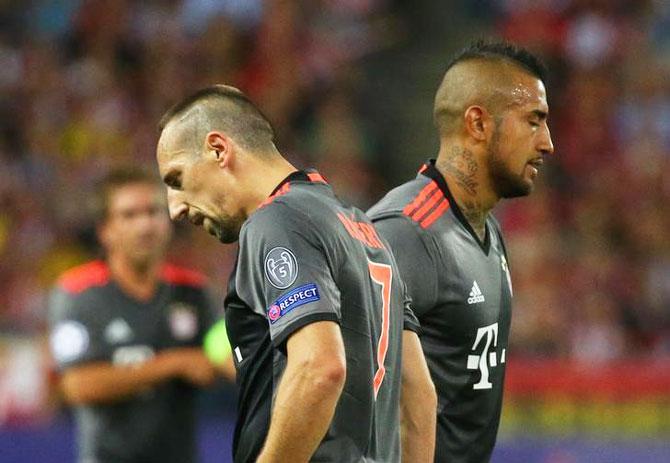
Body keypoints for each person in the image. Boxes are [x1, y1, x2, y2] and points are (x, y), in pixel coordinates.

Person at [156, 85, 436, 463]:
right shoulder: (362, 229)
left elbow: (318, 367)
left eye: (176, 180)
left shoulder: (276, 221)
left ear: (218, 149)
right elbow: (418, 396)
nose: (174, 209)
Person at [367, 40, 555, 462]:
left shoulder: (485, 228)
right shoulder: (404, 232)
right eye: (534, 121)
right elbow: (364, 397)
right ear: (478, 124)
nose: (547, 143)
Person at [48, 168, 231, 463]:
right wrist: (174, 363)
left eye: (154, 212)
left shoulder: (194, 292)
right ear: (105, 230)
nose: (145, 225)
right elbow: (77, 386)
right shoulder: (78, 294)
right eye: (130, 215)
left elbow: (221, 348)